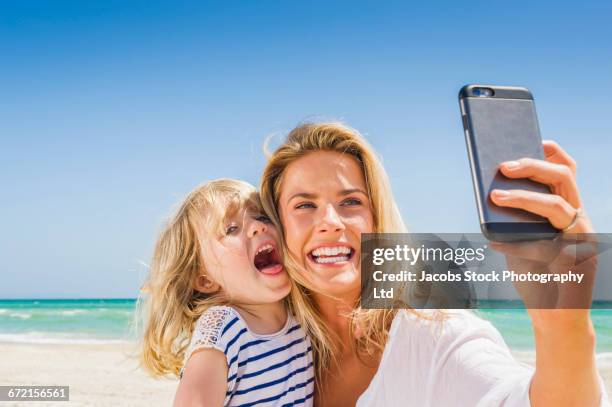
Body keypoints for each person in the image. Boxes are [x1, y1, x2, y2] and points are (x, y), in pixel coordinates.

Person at [259, 123, 609, 406]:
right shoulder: (265, 347)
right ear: (279, 228)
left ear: (379, 220)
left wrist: (566, 327)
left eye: (351, 201)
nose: (330, 221)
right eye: (304, 206)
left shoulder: (435, 335)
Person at [139, 179, 315, 406]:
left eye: (262, 216)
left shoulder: (300, 315)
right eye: (231, 228)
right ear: (204, 280)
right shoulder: (223, 329)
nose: (257, 226)